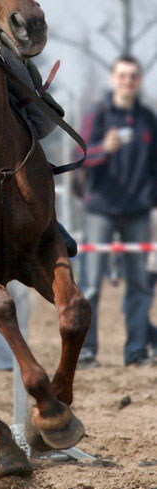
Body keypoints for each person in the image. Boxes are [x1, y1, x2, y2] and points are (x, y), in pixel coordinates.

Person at [78, 55, 157, 367]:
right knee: (91, 285)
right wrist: (102, 150)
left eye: (133, 76)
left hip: (138, 212)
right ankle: (85, 353)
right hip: (100, 210)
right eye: (122, 75)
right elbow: (79, 154)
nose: (128, 81)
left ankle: (137, 351)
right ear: (113, 79)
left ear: (138, 80)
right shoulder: (96, 114)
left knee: (139, 285)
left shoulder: (148, 118)